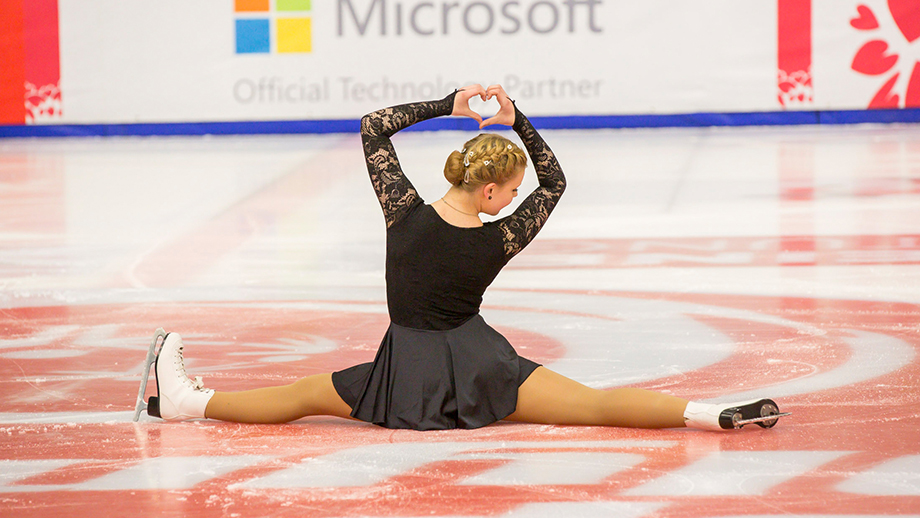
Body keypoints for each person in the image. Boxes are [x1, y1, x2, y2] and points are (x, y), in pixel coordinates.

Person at [145, 84, 786, 432]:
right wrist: (519, 120)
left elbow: (373, 125)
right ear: (486, 191)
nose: (512, 203)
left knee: (302, 394)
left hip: (404, 376)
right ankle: (708, 415)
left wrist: (446, 106)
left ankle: (182, 403)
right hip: (482, 370)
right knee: (592, 405)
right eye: (507, 194)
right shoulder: (496, 238)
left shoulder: (404, 213)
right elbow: (554, 181)